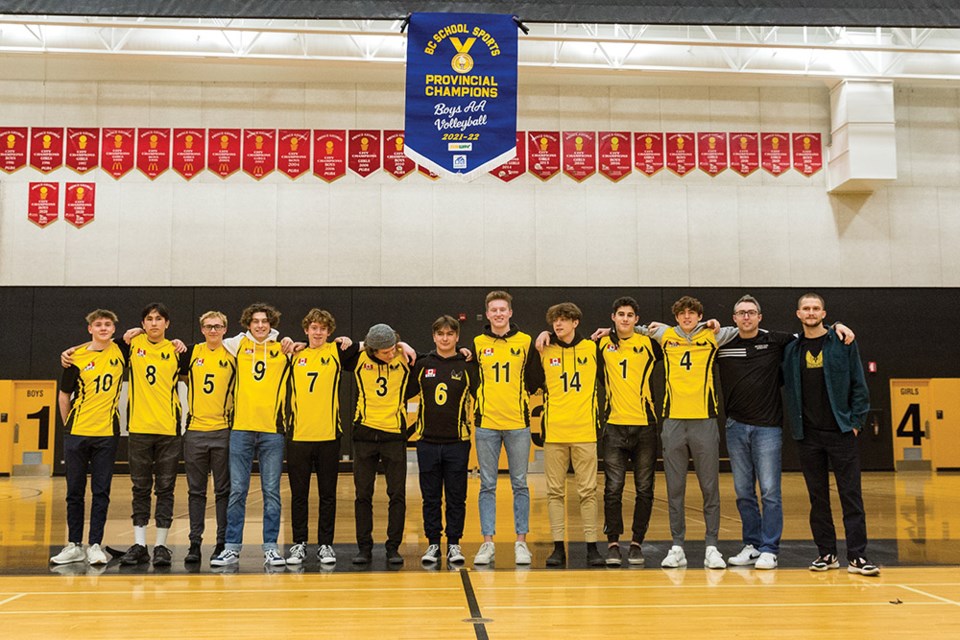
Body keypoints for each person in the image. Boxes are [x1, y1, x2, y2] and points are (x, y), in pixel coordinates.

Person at [782, 293, 878, 576]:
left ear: (824, 313)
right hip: (807, 435)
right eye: (806, 309)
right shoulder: (791, 348)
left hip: (841, 431)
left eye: (816, 308)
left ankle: (858, 556)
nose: (811, 312)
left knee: (851, 495)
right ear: (798, 314)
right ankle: (827, 553)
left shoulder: (843, 341)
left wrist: (856, 422)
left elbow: (859, 384)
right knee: (818, 498)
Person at [647, 296, 726, 570]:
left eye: (693, 313)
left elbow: (744, 328)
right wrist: (606, 332)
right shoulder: (665, 335)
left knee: (709, 487)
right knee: (675, 488)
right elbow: (630, 328)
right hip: (673, 423)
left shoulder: (712, 335)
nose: (687, 317)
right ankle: (677, 546)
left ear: (700, 315)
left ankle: (712, 547)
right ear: (677, 317)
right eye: (682, 314)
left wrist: (713, 323)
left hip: (704, 420)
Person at [211, 303, 291, 568]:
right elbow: (211, 335)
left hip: (272, 431)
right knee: (237, 491)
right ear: (247, 324)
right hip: (241, 429)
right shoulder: (237, 345)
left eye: (265, 321)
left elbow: (312, 346)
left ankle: (271, 548)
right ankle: (232, 548)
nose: (260, 325)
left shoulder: (283, 348)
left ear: (271, 324)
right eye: (255, 321)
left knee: (271, 492)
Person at [529, 303, 604, 567]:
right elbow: (530, 381)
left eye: (563, 320)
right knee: (554, 492)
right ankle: (558, 546)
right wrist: (537, 341)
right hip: (555, 433)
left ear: (575, 322)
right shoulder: (544, 349)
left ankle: (592, 547)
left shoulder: (594, 349)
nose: (558, 325)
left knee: (588, 492)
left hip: (585, 432)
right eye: (554, 321)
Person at [51, 309, 127, 566]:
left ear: (114, 329)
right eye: (98, 324)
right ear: (90, 329)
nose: (103, 328)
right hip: (77, 432)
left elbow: (137, 335)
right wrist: (68, 427)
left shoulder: (120, 350)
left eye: (108, 324)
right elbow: (64, 395)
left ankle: (95, 544)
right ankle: (74, 544)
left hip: (106, 433)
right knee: (74, 491)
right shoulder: (75, 358)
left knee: (101, 491)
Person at [472, 290, 541, 566]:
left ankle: (521, 543)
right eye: (493, 310)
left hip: (518, 424)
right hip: (487, 423)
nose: (499, 314)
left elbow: (535, 379)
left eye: (503, 309)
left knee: (520, 484)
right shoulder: (477, 342)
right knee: (487, 485)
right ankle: (487, 542)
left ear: (510, 313)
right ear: (487, 314)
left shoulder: (526, 342)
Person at [285, 308, 359, 566]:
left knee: (328, 494)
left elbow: (374, 343)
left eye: (323, 329)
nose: (318, 332)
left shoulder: (337, 352)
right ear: (306, 330)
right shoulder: (294, 354)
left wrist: (351, 341)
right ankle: (299, 543)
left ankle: (325, 544)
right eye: (314, 328)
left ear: (329, 332)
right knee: (299, 494)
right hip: (298, 436)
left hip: (329, 435)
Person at [597, 297, 662, 567]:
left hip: (645, 425)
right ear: (613, 317)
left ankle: (636, 543)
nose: (625, 318)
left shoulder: (648, 344)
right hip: (614, 425)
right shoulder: (601, 344)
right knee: (613, 488)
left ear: (637, 319)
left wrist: (648, 330)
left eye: (630, 315)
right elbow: (569, 339)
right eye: (621, 314)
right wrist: (546, 333)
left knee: (645, 488)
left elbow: (680, 335)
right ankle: (613, 543)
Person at [408, 316, 478, 566]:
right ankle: (433, 544)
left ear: (457, 337)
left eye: (450, 334)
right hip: (427, 442)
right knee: (431, 497)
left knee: (457, 497)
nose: (445, 338)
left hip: (457, 443)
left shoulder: (468, 364)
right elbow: (404, 390)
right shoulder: (423, 364)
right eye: (440, 334)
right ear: (434, 336)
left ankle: (455, 543)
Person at [350, 323, 413, 566]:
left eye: (392, 349)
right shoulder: (356, 360)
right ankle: (364, 548)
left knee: (397, 494)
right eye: (385, 351)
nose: (390, 354)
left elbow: (438, 355)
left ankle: (393, 547)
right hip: (364, 436)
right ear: (372, 350)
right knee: (363, 494)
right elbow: (330, 348)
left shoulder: (404, 359)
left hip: (394, 436)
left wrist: (402, 345)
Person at [179, 310, 236, 564]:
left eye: (218, 326)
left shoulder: (233, 354)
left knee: (223, 491)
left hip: (223, 431)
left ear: (225, 329)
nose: (213, 330)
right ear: (202, 329)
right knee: (196, 491)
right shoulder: (191, 353)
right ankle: (194, 543)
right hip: (195, 433)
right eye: (208, 326)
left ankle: (221, 542)